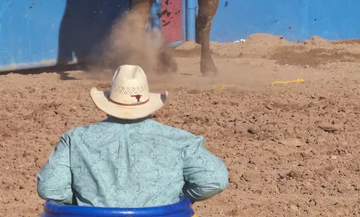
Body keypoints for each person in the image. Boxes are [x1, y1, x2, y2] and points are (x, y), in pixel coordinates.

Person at [37, 64, 228, 208]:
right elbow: (214, 179)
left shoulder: (76, 139)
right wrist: (178, 199)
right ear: (148, 103)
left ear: (108, 102)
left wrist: (85, 204)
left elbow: (50, 188)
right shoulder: (179, 140)